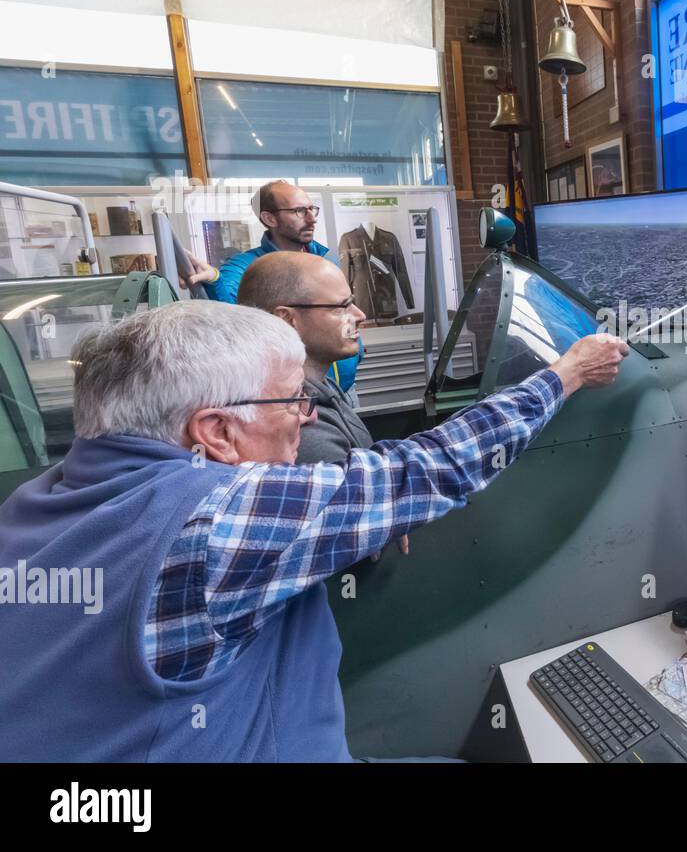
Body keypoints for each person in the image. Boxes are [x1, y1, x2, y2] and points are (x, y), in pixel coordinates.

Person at [0, 300, 628, 761]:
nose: (305, 416)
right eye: (291, 400)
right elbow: (430, 469)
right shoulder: (212, 521)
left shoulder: (43, 499)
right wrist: (566, 373)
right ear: (216, 431)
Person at [237, 250, 408, 557]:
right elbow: (358, 525)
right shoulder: (294, 420)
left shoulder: (319, 386)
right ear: (286, 320)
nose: (358, 315)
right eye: (342, 306)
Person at [184, 179, 362, 392]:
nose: (311, 218)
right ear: (269, 218)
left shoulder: (325, 260)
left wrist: (357, 351)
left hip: (345, 389)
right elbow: (234, 314)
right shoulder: (248, 266)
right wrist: (214, 280)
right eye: (298, 211)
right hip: (299, 392)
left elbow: (342, 310)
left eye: (312, 209)